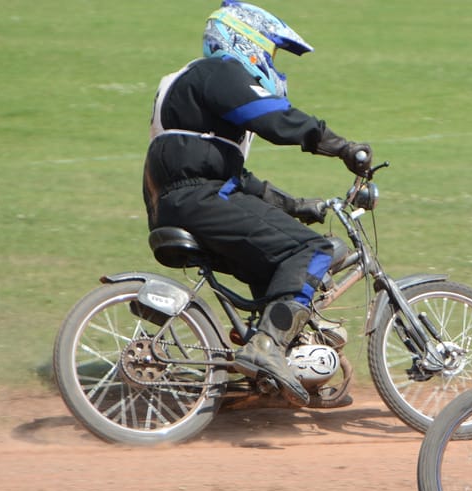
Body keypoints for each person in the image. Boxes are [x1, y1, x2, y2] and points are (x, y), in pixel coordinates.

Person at [142, 0, 372, 407]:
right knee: (312, 249)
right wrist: (341, 147)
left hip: (180, 202)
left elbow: (239, 183)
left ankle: (265, 379)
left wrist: (299, 206)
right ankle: (265, 347)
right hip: (200, 200)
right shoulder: (218, 71)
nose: (272, 62)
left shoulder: (188, 100)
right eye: (272, 51)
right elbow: (274, 119)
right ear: (245, 40)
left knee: (276, 265)